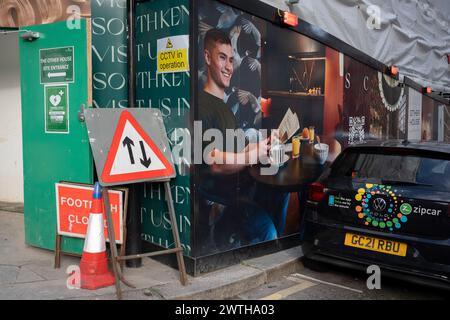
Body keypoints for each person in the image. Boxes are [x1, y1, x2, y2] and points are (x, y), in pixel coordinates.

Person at [197, 28, 278, 254]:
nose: (229, 67)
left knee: (279, 196)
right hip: (225, 199)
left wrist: (262, 147)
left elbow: (238, 147)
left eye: (231, 60)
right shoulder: (202, 106)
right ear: (206, 57)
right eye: (222, 57)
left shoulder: (223, 105)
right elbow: (213, 160)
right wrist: (252, 155)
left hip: (242, 191)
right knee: (268, 233)